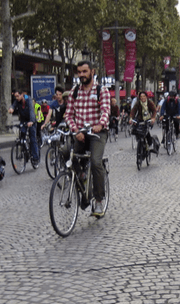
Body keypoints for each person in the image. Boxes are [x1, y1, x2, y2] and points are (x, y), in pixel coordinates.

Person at [65, 61, 110, 217]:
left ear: (92, 71)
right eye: (79, 72)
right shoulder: (74, 92)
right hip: (81, 133)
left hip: (98, 132)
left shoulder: (101, 90)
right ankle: (82, 177)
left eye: (84, 71)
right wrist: (75, 130)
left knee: (96, 162)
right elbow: (69, 115)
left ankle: (98, 201)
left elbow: (105, 111)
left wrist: (100, 124)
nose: (82, 75)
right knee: (65, 151)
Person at [9, 90, 40, 166]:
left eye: (17, 96)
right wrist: (11, 108)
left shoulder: (28, 99)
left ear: (22, 94)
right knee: (22, 134)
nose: (16, 98)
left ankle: (35, 158)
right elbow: (13, 105)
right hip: (23, 120)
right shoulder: (17, 101)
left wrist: (32, 121)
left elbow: (31, 111)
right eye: (15, 96)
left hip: (31, 120)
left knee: (32, 139)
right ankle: (24, 151)